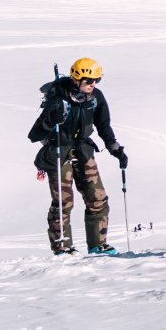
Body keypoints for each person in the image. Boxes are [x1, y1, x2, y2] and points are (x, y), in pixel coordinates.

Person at [29, 57, 128, 255]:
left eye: (96, 80)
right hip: (58, 151)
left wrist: (114, 148)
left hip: (83, 150)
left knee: (97, 197)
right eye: (89, 80)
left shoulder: (96, 97)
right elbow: (35, 134)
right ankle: (63, 247)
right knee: (63, 202)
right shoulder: (58, 97)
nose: (93, 84)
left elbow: (103, 125)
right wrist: (51, 120)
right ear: (76, 78)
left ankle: (97, 244)